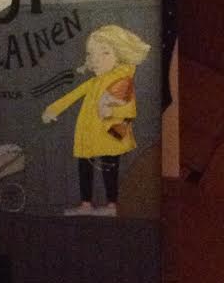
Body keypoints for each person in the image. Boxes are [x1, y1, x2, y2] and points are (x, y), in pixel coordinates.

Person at [41, 24, 150, 216]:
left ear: (119, 55)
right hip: (88, 134)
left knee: (109, 167)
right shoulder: (93, 82)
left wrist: (111, 110)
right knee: (84, 166)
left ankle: (112, 206)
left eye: (105, 53)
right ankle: (86, 204)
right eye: (92, 54)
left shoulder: (122, 80)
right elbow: (72, 96)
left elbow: (130, 109)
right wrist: (52, 109)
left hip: (109, 134)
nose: (97, 59)